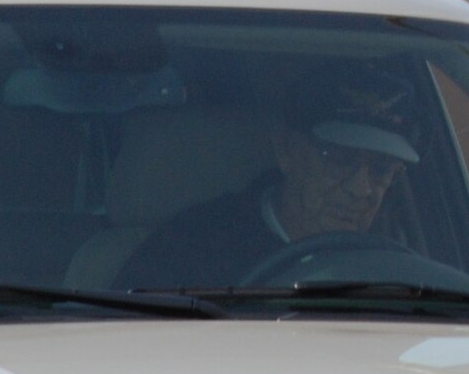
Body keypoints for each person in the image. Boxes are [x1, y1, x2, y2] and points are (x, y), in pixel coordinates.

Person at [117, 79, 419, 289]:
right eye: (339, 159)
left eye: (381, 169)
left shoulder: (398, 267)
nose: (362, 189)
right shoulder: (190, 249)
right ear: (286, 150)